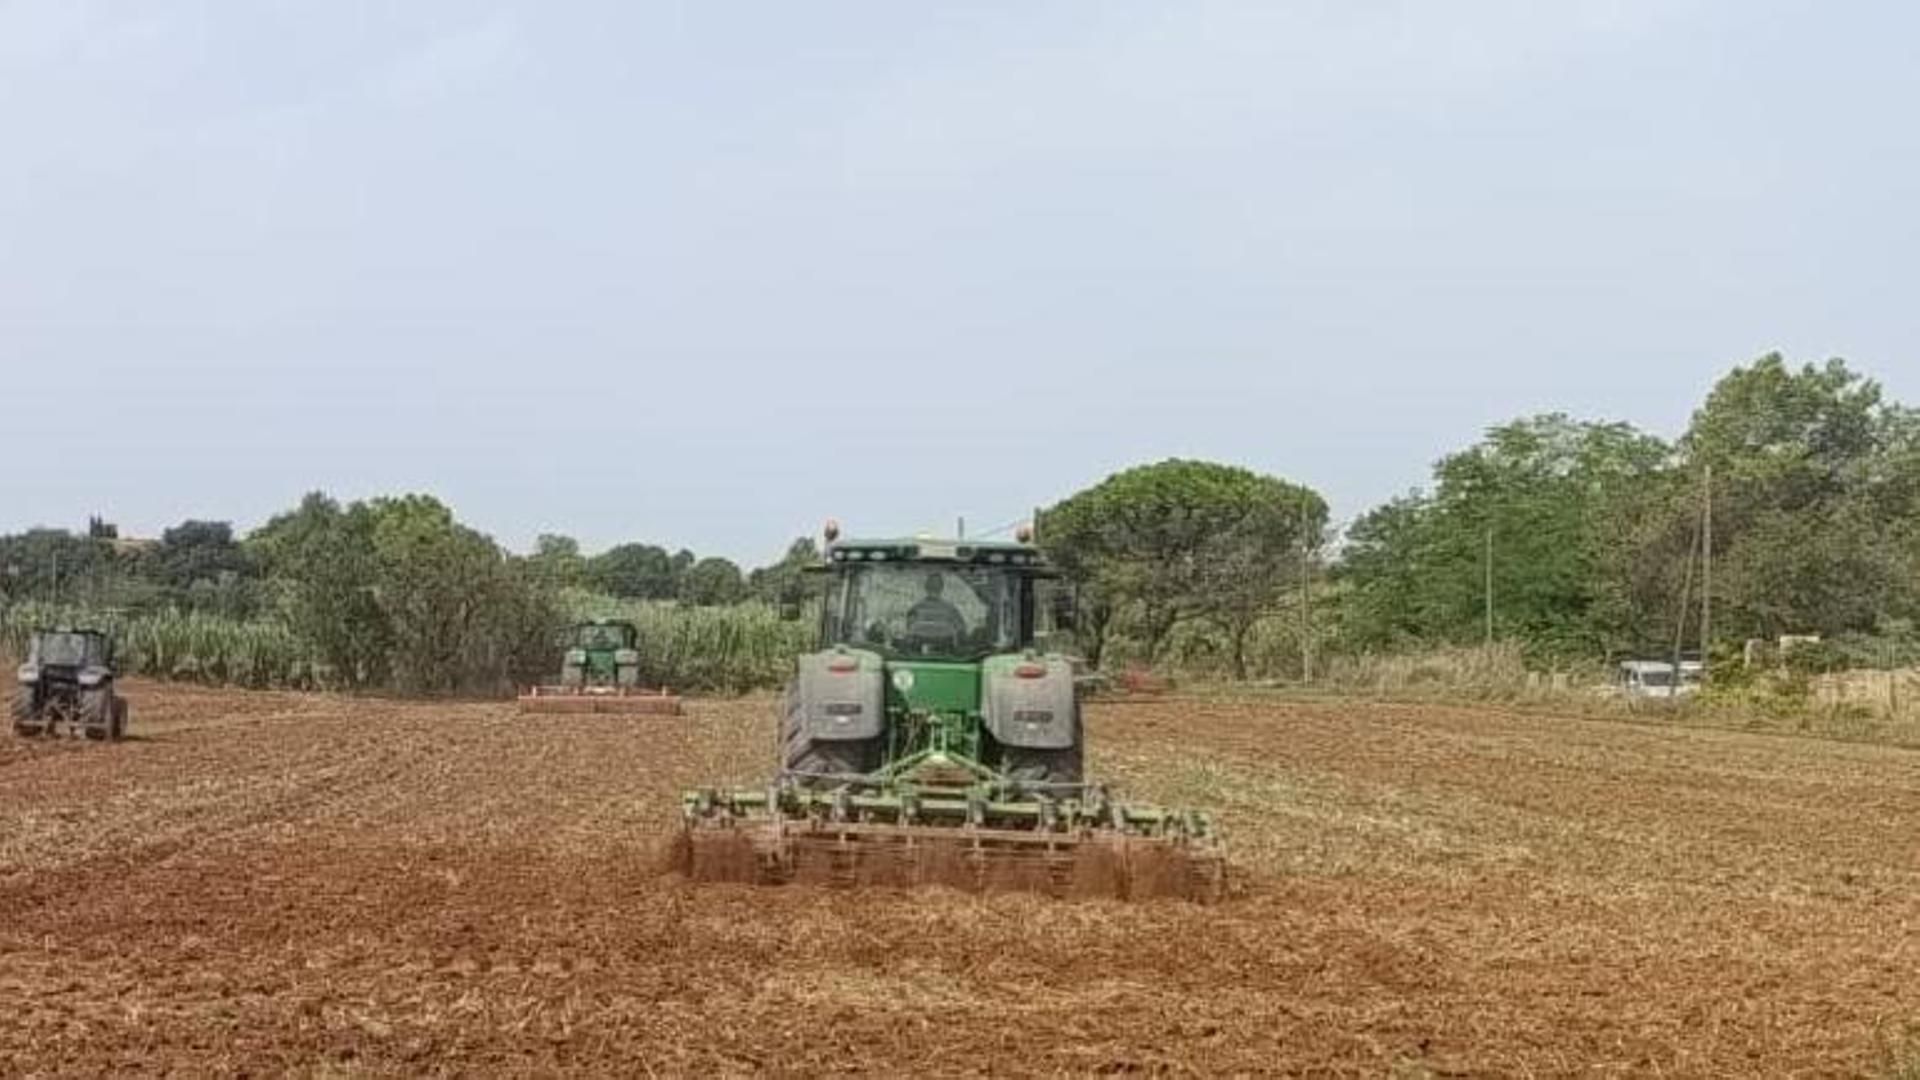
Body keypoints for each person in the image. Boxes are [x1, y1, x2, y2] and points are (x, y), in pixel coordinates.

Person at [903, 573, 967, 645]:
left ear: (926, 587)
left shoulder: (916, 608)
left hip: (926, 644)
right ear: (941, 587)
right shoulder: (950, 608)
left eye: (935, 584)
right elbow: (961, 629)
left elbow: (909, 629)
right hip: (943, 644)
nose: (934, 586)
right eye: (933, 584)